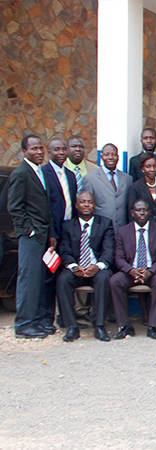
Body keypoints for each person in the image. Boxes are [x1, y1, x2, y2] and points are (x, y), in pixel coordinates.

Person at [8, 135, 57, 338]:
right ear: (24, 151)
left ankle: (36, 321)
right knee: (28, 280)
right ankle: (24, 324)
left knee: (39, 280)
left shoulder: (39, 171)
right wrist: (30, 231)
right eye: (34, 148)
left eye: (40, 148)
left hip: (44, 236)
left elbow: (45, 206)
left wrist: (51, 234)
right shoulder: (21, 173)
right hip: (31, 237)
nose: (39, 152)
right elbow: (14, 207)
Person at [57, 191, 114, 342]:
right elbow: (64, 250)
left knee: (104, 278)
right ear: (76, 205)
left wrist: (98, 266)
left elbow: (109, 250)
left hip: (97, 269)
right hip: (77, 269)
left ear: (95, 205)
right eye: (83, 202)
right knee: (63, 280)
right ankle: (72, 326)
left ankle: (99, 325)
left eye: (90, 202)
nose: (86, 205)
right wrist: (74, 266)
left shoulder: (105, 223)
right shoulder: (68, 226)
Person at [109, 199, 156, 340]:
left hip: (152, 271)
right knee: (115, 281)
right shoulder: (123, 231)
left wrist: (150, 271)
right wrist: (131, 271)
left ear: (150, 212)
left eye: (145, 210)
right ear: (132, 213)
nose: (142, 213)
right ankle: (125, 326)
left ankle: (153, 326)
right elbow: (118, 258)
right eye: (138, 210)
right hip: (131, 271)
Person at [83, 144, 132, 229]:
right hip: (100, 229)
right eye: (107, 154)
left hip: (123, 229)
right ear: (101, 156)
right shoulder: (90, 179)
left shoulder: (127, 179)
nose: (110, 157)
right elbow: (87, 207)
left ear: (118, 157)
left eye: (113, 154)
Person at [42, 137, 78, 239]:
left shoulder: (71, 175)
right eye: (56, 149)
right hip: (51, 230)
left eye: (64, 149)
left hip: (69, 229)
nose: (61, 153)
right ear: (49, 152)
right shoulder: (43, 173)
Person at [126, 153, 156, 234]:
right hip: (143, 230)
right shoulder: (135, 187)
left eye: (155, 166)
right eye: (148, 166)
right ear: (142, 169)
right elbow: (131, 213)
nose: (152, 169)